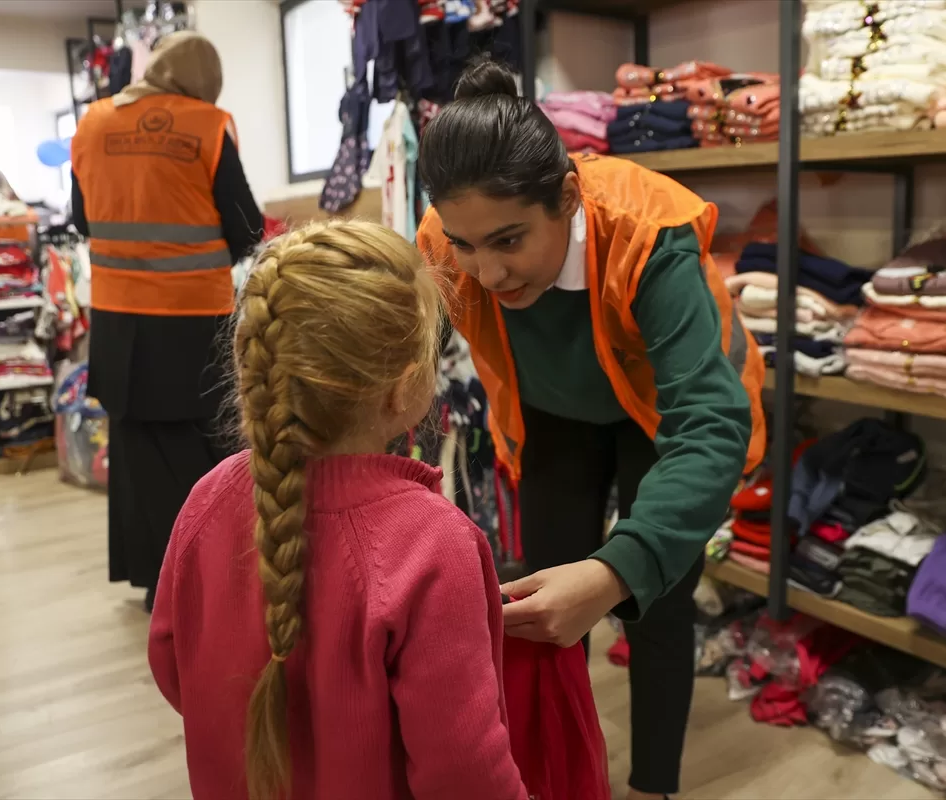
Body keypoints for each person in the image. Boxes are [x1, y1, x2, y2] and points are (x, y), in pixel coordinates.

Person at [417, 59, 768, 800]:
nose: (485, 271)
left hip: (660, 415)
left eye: (509, 241)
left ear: (568, 198)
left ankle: (653, 787)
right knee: (551, 601)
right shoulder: (448, 240)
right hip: (555, 413)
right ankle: (561, 774)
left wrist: (617, 572)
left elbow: (708, 424)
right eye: (467, 245)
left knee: (657, 598)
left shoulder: (650, 231)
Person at [148, 220, 530, 800]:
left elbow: (173, 663)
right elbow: (464, 774)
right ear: (403, 390)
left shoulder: (208, 497)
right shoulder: (432, 546)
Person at [69, 32, 264, 611]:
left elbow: (83, 220)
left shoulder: (94, 122)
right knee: (202, 456)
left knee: (136, 453)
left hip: (116, 321)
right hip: (190, 322)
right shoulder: (207, 124)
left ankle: (157, 579)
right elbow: (245, 225)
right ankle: (206, 581)